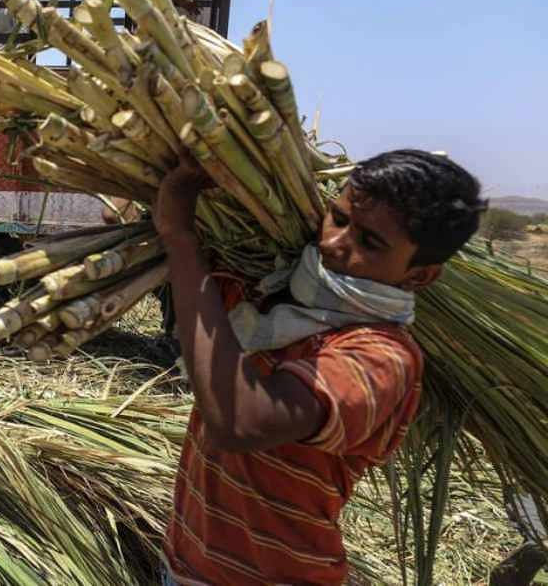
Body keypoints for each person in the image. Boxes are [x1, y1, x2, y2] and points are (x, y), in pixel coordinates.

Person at [157, 149, 485, 585]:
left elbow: (238, 423)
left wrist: (178, 235)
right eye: (338, 217)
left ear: (420, 276)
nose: (332, 243)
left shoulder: (380, 357)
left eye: (369, 242)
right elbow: (194, 299)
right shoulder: (271, 293)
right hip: (183, 564)